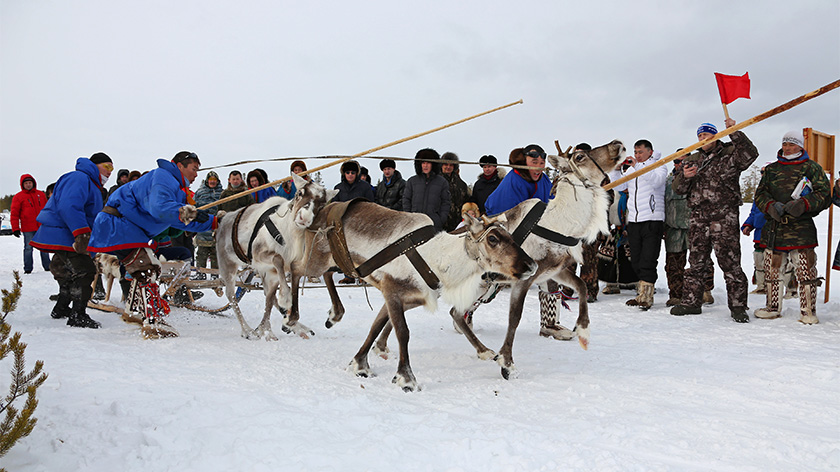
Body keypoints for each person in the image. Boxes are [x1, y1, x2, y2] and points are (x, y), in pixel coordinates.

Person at [88, 151, 222, 338]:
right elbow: (160, 208)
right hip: (120, 225)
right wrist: (187, 212)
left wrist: (213, 222)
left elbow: (174, 218)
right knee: (148, 268)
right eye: (194, 169)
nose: (196, 174)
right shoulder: (163, 177)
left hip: (127, 227)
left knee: (143, 267)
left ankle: (134, 311)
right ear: (180, 166)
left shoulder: (173, 186)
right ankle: (153, 322)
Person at [670, 119, 759, 322]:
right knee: (696, 262)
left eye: (707, 136)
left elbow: (751, 155)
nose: (703, 139)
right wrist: (685, 176)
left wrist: (734, 131)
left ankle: (738, 307)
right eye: (700, 136)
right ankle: (691, 302)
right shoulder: (692, 159)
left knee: (730, 262)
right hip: (699, 218)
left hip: (723, 217)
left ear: (716, 136)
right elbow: (678, 189)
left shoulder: (729, 155)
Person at [753, 131, 831, 324]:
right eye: (785, 144)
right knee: (773, 270)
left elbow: (824, 195)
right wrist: (771, 206)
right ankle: (772, 307)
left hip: (801, 229)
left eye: (791, 144)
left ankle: (808, 311)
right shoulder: (772, 169)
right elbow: (760, 194)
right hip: (775, 228)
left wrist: (804, 204)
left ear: (800, 146)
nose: (787, 148)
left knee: (806, 271)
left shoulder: (812, 168)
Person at [30, 152, 114, 328]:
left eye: (112, 168)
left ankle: (61, 308)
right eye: (107, 167)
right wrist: (81, 233)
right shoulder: (79, 178)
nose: (110, 172)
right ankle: (78, 315)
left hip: (66, 234)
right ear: (94, 165)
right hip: (65, 234)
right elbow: (69, 206)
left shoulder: (90, 183)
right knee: (84, 271)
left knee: (65, 271)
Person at [611, 140, 666, 309]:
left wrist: (639, 167)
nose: (637, 155)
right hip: (634, 220)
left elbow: (657, 181)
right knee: (636, 259)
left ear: (650, 152)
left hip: (652, 218)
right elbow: (620, 186)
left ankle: (646, 296)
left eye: (640, 152)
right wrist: (616, 169)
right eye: (635, 152)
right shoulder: (633, 169)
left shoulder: (659, 165)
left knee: (649, 259)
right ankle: (642, 291)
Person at [665, 154, 715, 307]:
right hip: (674, 229)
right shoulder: (667, 182)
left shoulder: (700, 179)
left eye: (683, 161)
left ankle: (705, 291)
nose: (679, 164)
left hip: (696, 227)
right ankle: (676, 294)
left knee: (702, 261)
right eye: (677, 161)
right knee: (673, 263)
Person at [10, 174, 51, 274]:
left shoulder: (41, 195)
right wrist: (15, 228)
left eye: (30, 183)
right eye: (26, 183)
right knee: (28, 248)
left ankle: (48, 266)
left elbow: (48, 209)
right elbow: (14, 214)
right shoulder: (18, 197)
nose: (28, 185)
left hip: (41, 226)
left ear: (33, 183)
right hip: (28, 227)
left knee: (44, 247)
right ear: (22, 185)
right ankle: (28, 268)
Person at [402, 148, 451, 230]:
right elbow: (406, 200)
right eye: (423, 163)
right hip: (414, 224)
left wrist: (440, 219)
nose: (425, 165)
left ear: (433, 164)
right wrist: (409, 217)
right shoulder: (412, 181)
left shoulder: (442, 182)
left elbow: (446, 202)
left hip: (434, 224)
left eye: (428, 162)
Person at [194, 170, 223, 269]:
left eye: (214, 180)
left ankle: (215, 274)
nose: (212, 182)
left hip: (216, 227)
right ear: (207, 181)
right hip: (202, 226)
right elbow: (194, 205)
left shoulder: (222, 193)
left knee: (216, 254)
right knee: (201, 254)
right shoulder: (200, 192)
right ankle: (200, 273)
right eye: (210, 180)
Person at [440, 152, 470, 232]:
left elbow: (466, 202)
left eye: (451, 165)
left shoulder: (461, 184)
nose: (448, 167)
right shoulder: (435, 182)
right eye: (446, 164)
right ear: (441, 165)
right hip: (440, 223)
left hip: (457, 223)